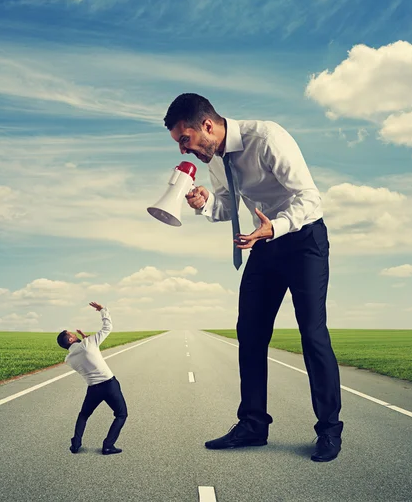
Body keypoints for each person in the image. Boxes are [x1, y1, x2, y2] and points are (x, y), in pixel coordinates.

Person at [163, 93, 343, 462]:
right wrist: (205, 204)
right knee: (250, 332)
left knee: (312, 332)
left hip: (303, 238)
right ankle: (253, 425)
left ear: (207, 126)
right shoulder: (215, 158)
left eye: (185, 139)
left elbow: (309, 199)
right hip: (264, 242)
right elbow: (228, 205)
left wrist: (274, 228)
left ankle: (329, 430)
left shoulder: (267, 138)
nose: (184, 150)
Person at [56, 301, 127, 455]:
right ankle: (108, 445)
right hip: (109, 385)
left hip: (93, 389)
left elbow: (85, 354)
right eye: (72, 334)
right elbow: (107, 328)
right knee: (121, 414)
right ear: (70, 339)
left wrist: (85, 340)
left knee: (84, 415)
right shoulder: (88, 343)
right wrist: (102, 310)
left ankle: (75, 444)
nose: (74, 335)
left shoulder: (68, 359)